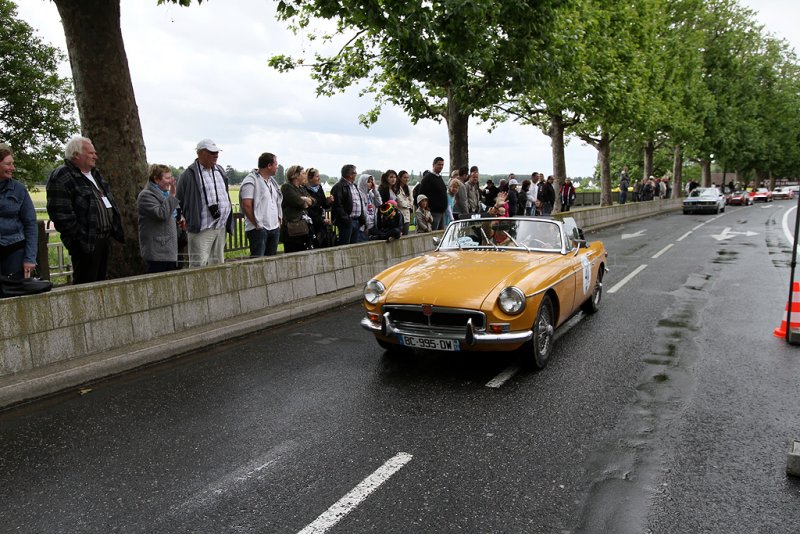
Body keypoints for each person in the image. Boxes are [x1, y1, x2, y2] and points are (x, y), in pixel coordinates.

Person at [46, 135, 124, 283]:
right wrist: (80, 239)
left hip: (104, 240)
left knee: (100, 283)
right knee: (85, 286)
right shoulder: (62, 175)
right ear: (76, 155)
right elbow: (60, 214)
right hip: (85, 242)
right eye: (91, 153)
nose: (96, 156)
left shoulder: (95, 174)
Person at [176, 139, 233, 267]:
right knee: (198, 266)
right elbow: (178, 200)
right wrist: (182, 216)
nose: (216, 155)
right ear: (200, 153)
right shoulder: (188, 175)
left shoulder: (220, 171)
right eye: (212, 152)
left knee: (218, 264)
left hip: (220, 226)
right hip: (201, 228)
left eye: (217, 152)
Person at [136, 164, 183, 273]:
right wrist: (172, 195)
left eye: (171, 177)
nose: (170, 181)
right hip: (157, 252)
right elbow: (162, 214)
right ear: (156, 180)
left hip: (169, 250)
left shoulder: (164, 194)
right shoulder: (145, 195)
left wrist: (181, 217)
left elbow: (172, 211)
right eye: (167, 178)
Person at [0, 144, 37, 279]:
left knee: (15, 294)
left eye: (13, 164)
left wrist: (30, 258)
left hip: (14, 250)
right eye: (8, 164)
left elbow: (31, 224)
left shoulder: (19, 189)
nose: (13, 168)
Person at [239, 152, 282, 257]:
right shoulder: (250, 181)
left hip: (273, 227)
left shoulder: (272, 182)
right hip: (258, 230)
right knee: (258, 262)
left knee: (271, 262)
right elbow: (246, 205)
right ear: (269, 165)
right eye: (276, 164)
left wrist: (278, 221)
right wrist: (258, 224)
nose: (277, 167)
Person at [280, 165, 315, 253]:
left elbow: (314, 201)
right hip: (292, 229)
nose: (305, 176)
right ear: (295, 175)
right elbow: (299, 203)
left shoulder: (301, 188)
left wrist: (305, 199)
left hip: (303, 228)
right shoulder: (286, 187)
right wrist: (304, 200)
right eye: (303, 173)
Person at [330, 164, 365, 245]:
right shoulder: (338, 186)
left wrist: (361, 219)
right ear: (350, 174)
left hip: (356, 221)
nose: (356, 174)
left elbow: (359, 202)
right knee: (345, 246)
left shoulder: (354, 186)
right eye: (355, 173)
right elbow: (337, 205)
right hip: (346, 222)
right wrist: (347, 219)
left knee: (354, 247)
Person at [304, 167, 333, 248]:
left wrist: (329, 201)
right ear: (310, 178)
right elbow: (309, 209)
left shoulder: (319, 187)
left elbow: (324, 204)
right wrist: (322, 220)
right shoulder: (304, 189)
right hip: (311, 223)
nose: (319, 178)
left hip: (320, 222)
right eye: (317, 176)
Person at [417, 156, 447, 230]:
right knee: (433, 235)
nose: (441, 166)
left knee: (440, 236)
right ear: (433, 165)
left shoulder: (439, 177)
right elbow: (421, 195)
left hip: (441, 212)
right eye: (439, 164)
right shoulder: (428, 178)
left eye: (442, 165)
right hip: (433, 212)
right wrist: (426, 209)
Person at [358, 173, 380, 241]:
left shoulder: (370, 194)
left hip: (372, 225)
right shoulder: (360, 194)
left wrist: (375, 190)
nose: (370, 184)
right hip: (364, 228)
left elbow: (379, 203)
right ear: (363, 182)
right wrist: (366, 226)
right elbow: (364, 212)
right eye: (368, 182)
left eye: (371, 182)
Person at [395, 170, 413, 235]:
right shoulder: (396, 188)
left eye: (407, 177)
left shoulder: (408, 188)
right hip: (399, 215)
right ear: (399, 178)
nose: (406, 179)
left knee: (406, 234)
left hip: (407, 216)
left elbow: (412, 201)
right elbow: (401, 203)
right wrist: (408, 203)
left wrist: (408, 203)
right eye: (404, 177)